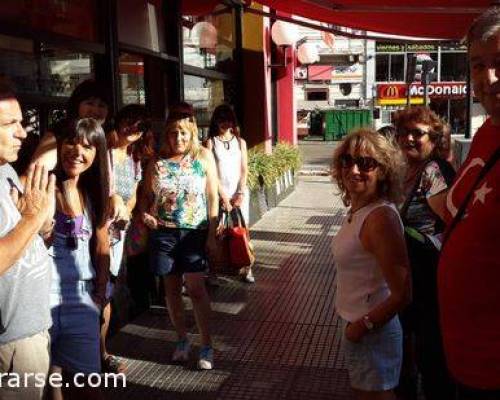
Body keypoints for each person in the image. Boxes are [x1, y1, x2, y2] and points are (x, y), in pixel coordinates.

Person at [429, 7, 500, 399]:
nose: (488, 78)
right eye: (477, 65)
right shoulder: (488, 132)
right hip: (462, 357)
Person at [331, 128, 410, 400]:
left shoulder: (380, 219)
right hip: (359, 328)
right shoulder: (359, 211)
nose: (354, 170)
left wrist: (360, 327)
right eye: (347, 161)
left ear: (384, 171)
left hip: (372, 333)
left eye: (366, 163)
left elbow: (403, 293)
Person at [141, 102, 218, 370]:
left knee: (196, 289)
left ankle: (206, 344)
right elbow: (147, 199)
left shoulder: (204, 157)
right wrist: (145, 214)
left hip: (194, 233)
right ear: (167, 134)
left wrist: (211, 232)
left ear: (192, 133)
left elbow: (212, 196)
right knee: (172, 291)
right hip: (163, 233)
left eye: (184, 133)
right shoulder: (157, 162)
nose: (179, 138)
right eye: (174, 133)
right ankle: (182, 339)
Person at [393, 106, 456, 400]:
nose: (408, 139)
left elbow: (450, 225)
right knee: (408, 341)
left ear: (433, 137)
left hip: (428, 274)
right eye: (403, 133)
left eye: (417, 133)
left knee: (429, 345)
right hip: (408, 274)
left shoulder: (433, 171)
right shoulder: (406, 169)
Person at [48, 118, 110, 398]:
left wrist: (99, 293)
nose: (77, 151)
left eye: (87, 146)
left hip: (82, 298)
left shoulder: (93, 194)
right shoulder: (42, 185)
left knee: (89, 383)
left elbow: (102, 246)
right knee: (47, 381)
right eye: (71, 142)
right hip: (42, 298)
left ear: (97, 154)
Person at [0, 82, 55, 399]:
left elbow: (19, 233)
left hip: (29, 330)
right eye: (11, 124)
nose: (22, 133)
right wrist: (31, 220)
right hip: (10, 344)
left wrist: (40, 228)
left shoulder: (6, 169)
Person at [100, 104, 154, 373]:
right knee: (96, 289)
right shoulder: (102, 150)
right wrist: (115, 205)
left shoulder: (134, 157)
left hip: (118, 233)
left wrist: (127, 211)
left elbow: (133, 194)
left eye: (140, 126)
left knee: (106, 291)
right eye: (130, 121)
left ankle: (102, 352)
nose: (133, 129)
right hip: (96, 230)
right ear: (119, 119)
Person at [205, 104, 254, 283]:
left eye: (228, 119)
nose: (224, 123)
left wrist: (240, 192)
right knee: (217, 232)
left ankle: (246, 267)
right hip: (218, 194)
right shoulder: (210, 142)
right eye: (220, 119)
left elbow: (244, 170)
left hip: (239, 193)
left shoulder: (241, 142)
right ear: (215, 121)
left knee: (242, 229)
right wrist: (223, 196)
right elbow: (212, 173)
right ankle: (213, 272)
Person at [31, 79, 110, 171]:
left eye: (101, 105)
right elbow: (38, 171)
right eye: (90, 103)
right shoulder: (59, 133)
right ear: (77, 105)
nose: (95, 110)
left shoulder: (109, 135)